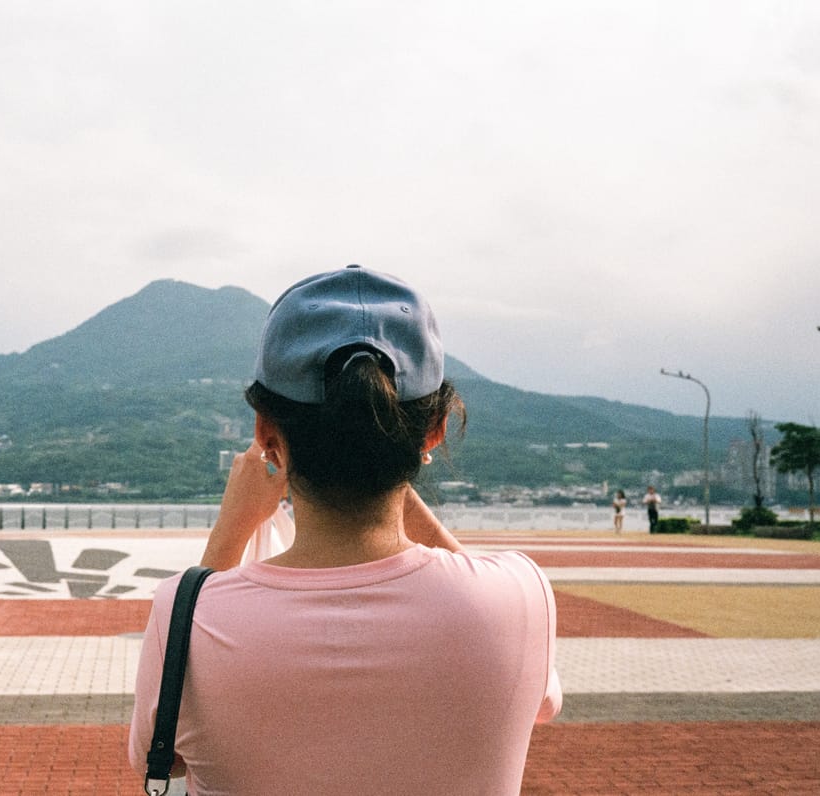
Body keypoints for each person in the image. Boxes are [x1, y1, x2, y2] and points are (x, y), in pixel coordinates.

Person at [129, 265, 561, 794]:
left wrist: (230, 529)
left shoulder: (185, 612)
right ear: (436, 430)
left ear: (267, 434)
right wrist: (396, 475)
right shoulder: (520, 594)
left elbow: (159, 750)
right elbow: (543, 701)